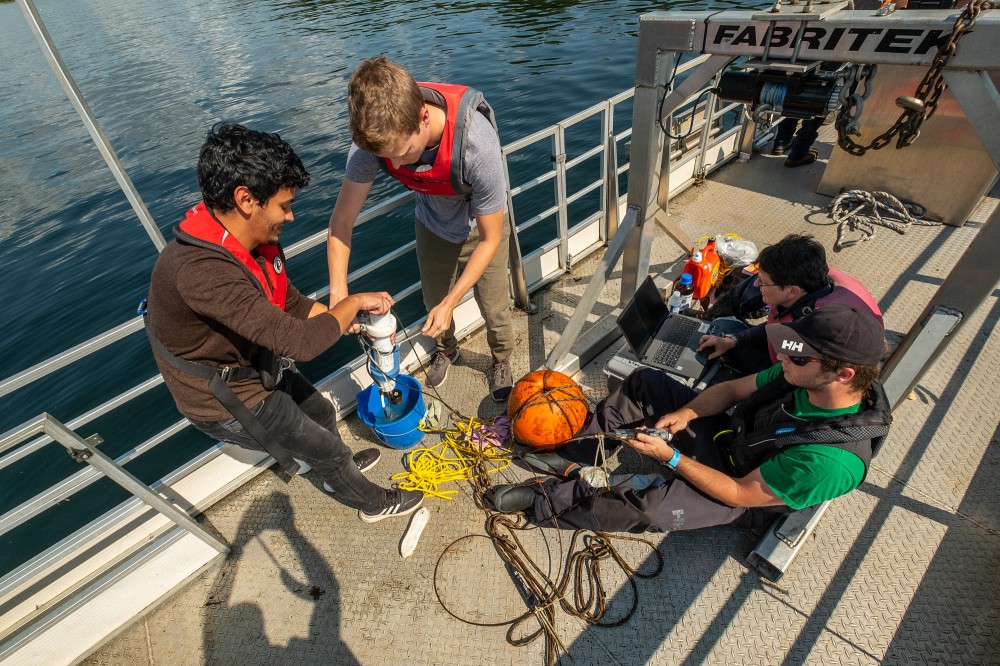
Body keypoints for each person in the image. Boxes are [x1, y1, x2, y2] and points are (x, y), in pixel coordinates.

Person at [145, 123, 423, 523]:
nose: (291, 217)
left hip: (257, 363)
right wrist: (352, 302)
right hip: (227, 396)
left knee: (321, 413)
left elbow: (291, 304)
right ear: (245, 199)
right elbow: (302, 344)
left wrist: (351, 321)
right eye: (283, 206)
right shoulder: (202, 271)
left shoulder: (251, 244)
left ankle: (336, 472)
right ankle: (374, 502)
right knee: (326, 449)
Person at [487, 305, 891, 534]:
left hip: (738, 488)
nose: (783, 358)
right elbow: (731, 392)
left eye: (798, 356)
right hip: (730, 437)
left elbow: (740, 494)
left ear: (843, 375)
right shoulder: (800, 375)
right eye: (788, 348)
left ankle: (545, 502)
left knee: (646, 510)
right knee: (645, 382)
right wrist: (685, 413)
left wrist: (672, 458)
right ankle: (578, 451)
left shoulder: (831, 461)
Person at [327, 56, 515, 402]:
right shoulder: (374, 142)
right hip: (432, 222)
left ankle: (501, 358)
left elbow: (491, 238)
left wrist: (453, 302)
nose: (396, 165)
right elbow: (341, 222)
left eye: (404, 152)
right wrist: (339, 293)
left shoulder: (477, 145)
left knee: (494, 304)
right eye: (388, 158)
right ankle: (446, 349)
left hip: (481, 226)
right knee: (433, 299)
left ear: (423, 116)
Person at [698, 234, 881, 376]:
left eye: (763, 283)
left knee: (722, 336)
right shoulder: (816, 274)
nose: (757, 284)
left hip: (798, 370)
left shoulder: (813, 330)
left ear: (793, 291)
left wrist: (733, 343)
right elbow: (775, 325)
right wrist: (734, 340)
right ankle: (712, 318)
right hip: (795, 334)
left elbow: (788, 374)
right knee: (728, 328)